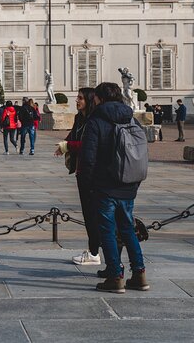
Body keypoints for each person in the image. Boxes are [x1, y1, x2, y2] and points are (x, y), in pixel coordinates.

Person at [79, 82, 149, 293]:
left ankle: (115, 275)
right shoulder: (130, 118)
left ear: (99, 98)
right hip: (128, 183)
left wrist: (88, 184)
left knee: (107, 231)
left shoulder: (96, 121)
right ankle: (139, 274)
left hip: (105, 185)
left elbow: (88, 158)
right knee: (127, 229)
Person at [55, 88, 100, 266]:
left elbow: (87, 144)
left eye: (80, 98)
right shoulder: (79, 118)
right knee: (89, 214)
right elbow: (74, 135)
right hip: (82, 171)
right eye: (77, 97)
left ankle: (95, 252)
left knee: (93, 214)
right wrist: (64, 143)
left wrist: (66, 146)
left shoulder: (94, 120)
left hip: (93, 171)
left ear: (89, 100)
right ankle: (95, 250)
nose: (77, 100)